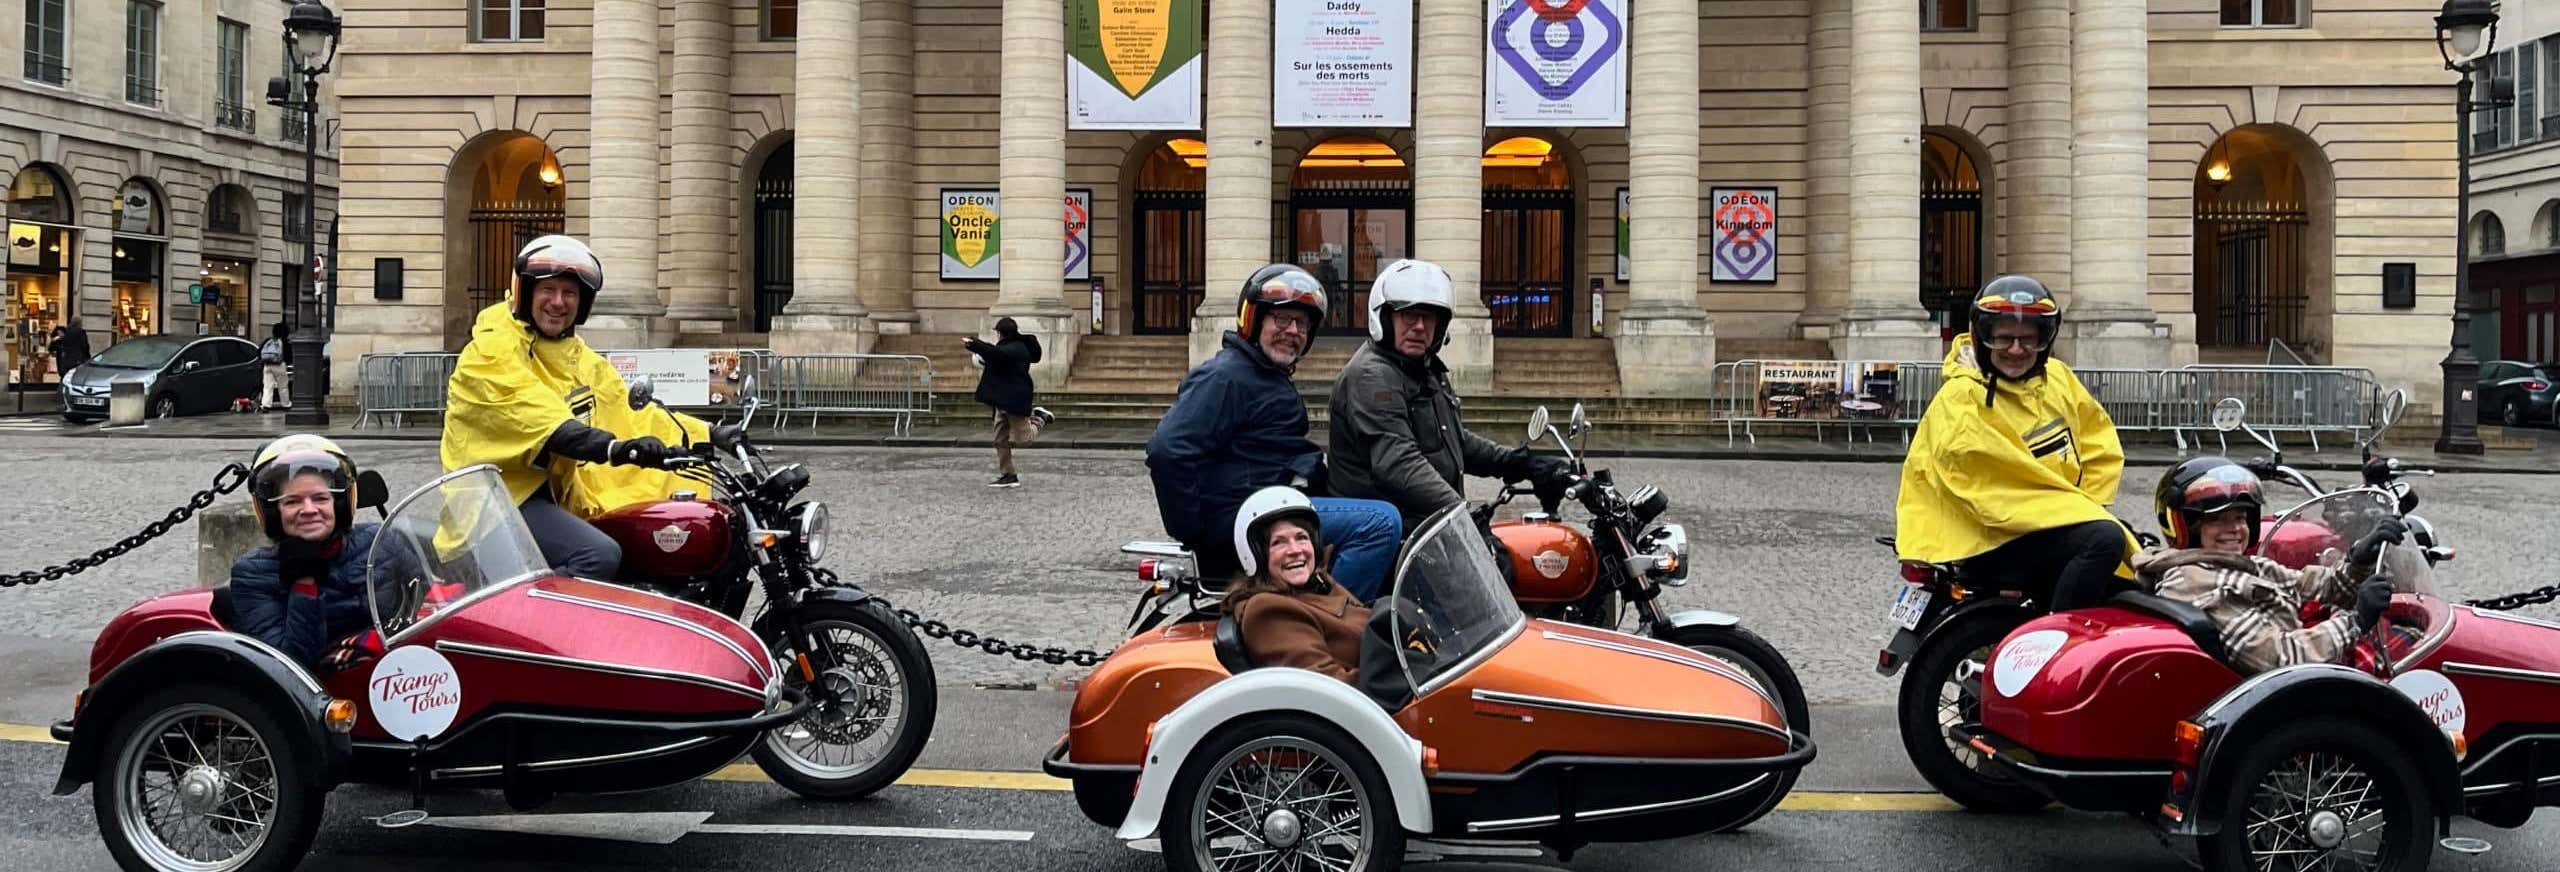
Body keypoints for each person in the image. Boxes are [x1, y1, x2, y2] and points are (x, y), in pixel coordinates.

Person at [439, 234, 722, 582]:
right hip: (496, 504)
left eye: (570, 293)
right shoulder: (490, 352)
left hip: (555, 494)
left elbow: (625, 408)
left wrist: (711, 433)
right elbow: (535, 414)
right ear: (524, 292)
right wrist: (613, 447)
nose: (558, 302)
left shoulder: (575, 356)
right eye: (548, 290)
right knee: (597, 555)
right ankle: (538, 632)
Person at [1147, 264, 1404, 600]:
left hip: (1270, 504)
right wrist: (1197, 532)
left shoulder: (1264, 374)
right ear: (1254, 321)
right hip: (1248, 514)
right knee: (1379, 523)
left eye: (1301, 323)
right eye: (1281, 320)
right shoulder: (1226, 377)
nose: (1292, 330)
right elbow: (1167, 451)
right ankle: (1328, 621)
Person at [1894, 274, 2135, 611]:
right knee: (2105, 540)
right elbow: (1992, 489)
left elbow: (2098, 442)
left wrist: (2089, 506)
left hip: (2041, 523)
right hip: (1983, 536)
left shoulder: (2058, 378)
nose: (2017, 350)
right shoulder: (1963, 397)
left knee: (2126, 550)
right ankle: (2057, 645)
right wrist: (2078, 514)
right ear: (1983, 338)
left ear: (2045, 340)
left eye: (2028, 339)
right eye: (2004, 339)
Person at [1326, 259, 1575, 533]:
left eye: (1429, 317)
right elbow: (1398, 462)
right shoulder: (1372, 375)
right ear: (1384, 318)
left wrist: (1521, 463)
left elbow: (1453, 440)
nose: (1419, 326)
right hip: (1393, 534)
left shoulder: (1423, 368)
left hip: (1424, 525)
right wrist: (1459, 514)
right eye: (1408, 315)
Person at [2139, 458, 2403, 675]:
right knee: (2407, 649)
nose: (2234, 529)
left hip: (2295, 676)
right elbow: (2282, 659)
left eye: (2240, 517)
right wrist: (2357, 620)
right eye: (2218, 520)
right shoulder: (2195, 583)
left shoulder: (2233, 565)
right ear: (2188, 528)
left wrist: (2359, 559)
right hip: (2290, 692)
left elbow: (2308, 586)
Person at [228, 435, 391, 673]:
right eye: (292, 501)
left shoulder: (381, 541)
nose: (309, 510)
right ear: (273, 513)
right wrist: (304, 584)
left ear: (340, 504)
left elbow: (440, 597)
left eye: (320, 498)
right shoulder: (252, 575)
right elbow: (290, 667)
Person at [1224, 487, 1371, 683]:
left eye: (1302, 537)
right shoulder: (1268, 610)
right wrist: (1399, 674)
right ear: (1257, 555)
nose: (1294, 550)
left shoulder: (1319, 583)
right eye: (1278, 542)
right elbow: (1326, 686)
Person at [964, 317, 1055, 488]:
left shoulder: (1016, 348)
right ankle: (1008, 475)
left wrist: (974, 344)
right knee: (999, 440)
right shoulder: (1007, 347)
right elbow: (994, 357)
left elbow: (995, 354)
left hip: (1015, 400)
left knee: (1023, 439)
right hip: (1001, 400)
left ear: (1001, 333)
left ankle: (1040, 418)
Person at [259, 322, 290, 411]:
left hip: (267, 365)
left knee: (267, 386)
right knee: (283, 386)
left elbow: (259, 352)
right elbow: (288, 355)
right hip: (279, 365)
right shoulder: (284, 342)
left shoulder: (268, 341)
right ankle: (286, 404)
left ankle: (266, 405)